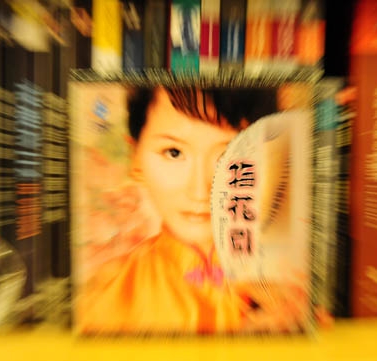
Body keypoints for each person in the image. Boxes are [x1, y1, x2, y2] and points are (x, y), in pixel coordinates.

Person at [76, 85, 304, 334]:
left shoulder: (297, 286)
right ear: (136, 158)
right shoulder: (110, 297)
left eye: (228, 155)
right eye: (173, 153)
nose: (200, 191)